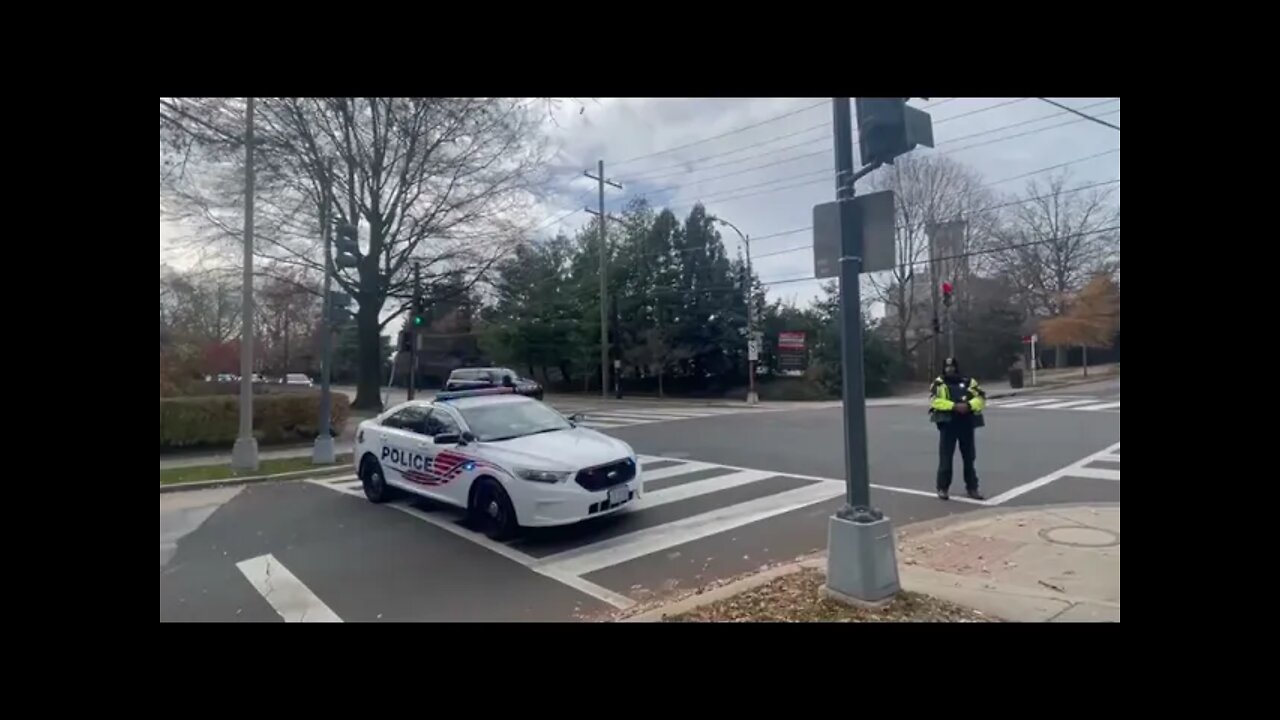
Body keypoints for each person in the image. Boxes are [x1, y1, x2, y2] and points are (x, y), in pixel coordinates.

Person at [928, 357, 987, 501]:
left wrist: (969, 406)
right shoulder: (938, 383)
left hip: (966, 423)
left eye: (952, 366)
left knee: (969, 458)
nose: (950, 369)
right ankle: (943, 488)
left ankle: (972, 488)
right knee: (946, 458)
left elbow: (981, 398)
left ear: (956, 367)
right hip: (948, 424)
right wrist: (954, 406)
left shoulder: (969, 382)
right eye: (947, 366)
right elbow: (935, 401)